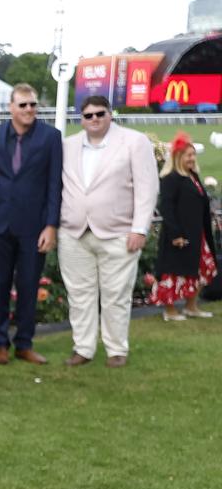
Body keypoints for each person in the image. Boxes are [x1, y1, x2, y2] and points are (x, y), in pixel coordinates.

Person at [58, 96, 159, 367]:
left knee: (116, 295)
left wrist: (140, 228)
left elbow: (147, 188)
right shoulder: (68, 145)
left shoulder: (134, 142)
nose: (94, 119)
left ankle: (116, 350)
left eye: (99, 113)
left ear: (110, 114)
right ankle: (83, 348)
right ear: (81, 118)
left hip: (119, 232)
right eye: (88, 115)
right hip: (74, 233)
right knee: (79, 296)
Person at [0, 83, 63, 365]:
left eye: (33, 105)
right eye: (23, 105)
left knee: (28, 286)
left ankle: (24, 344)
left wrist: (51, 226)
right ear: (11, 107)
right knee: (0, 286)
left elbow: (55, 184)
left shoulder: (51, 137)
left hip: (34, 228)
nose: (29, 110)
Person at [150, 132, 218, 320]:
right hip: (179, 234)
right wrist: (175, 234)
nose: (192, 159)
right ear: (178, 157)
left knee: (205, 268)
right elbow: (167, 207)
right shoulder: (171, 179)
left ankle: (191, 306)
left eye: (193, 155)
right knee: (173, 274)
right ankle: (170, 310)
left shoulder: (193, 176)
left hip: (198, 233)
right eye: (188, 155)